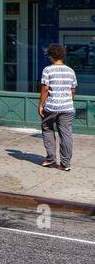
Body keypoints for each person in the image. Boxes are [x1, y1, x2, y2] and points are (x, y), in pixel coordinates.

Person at [39, 42, 77, 171]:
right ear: (63, 55)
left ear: (50, 56)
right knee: (66, 134)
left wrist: (41, 104)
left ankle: (50, 159)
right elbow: (73, 90)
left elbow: (45, 88)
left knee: (47, 128)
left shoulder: (47, 70)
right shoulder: (71, 71)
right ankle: (65, 164)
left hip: (52, 107)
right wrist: (68, 100)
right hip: (67, 107)